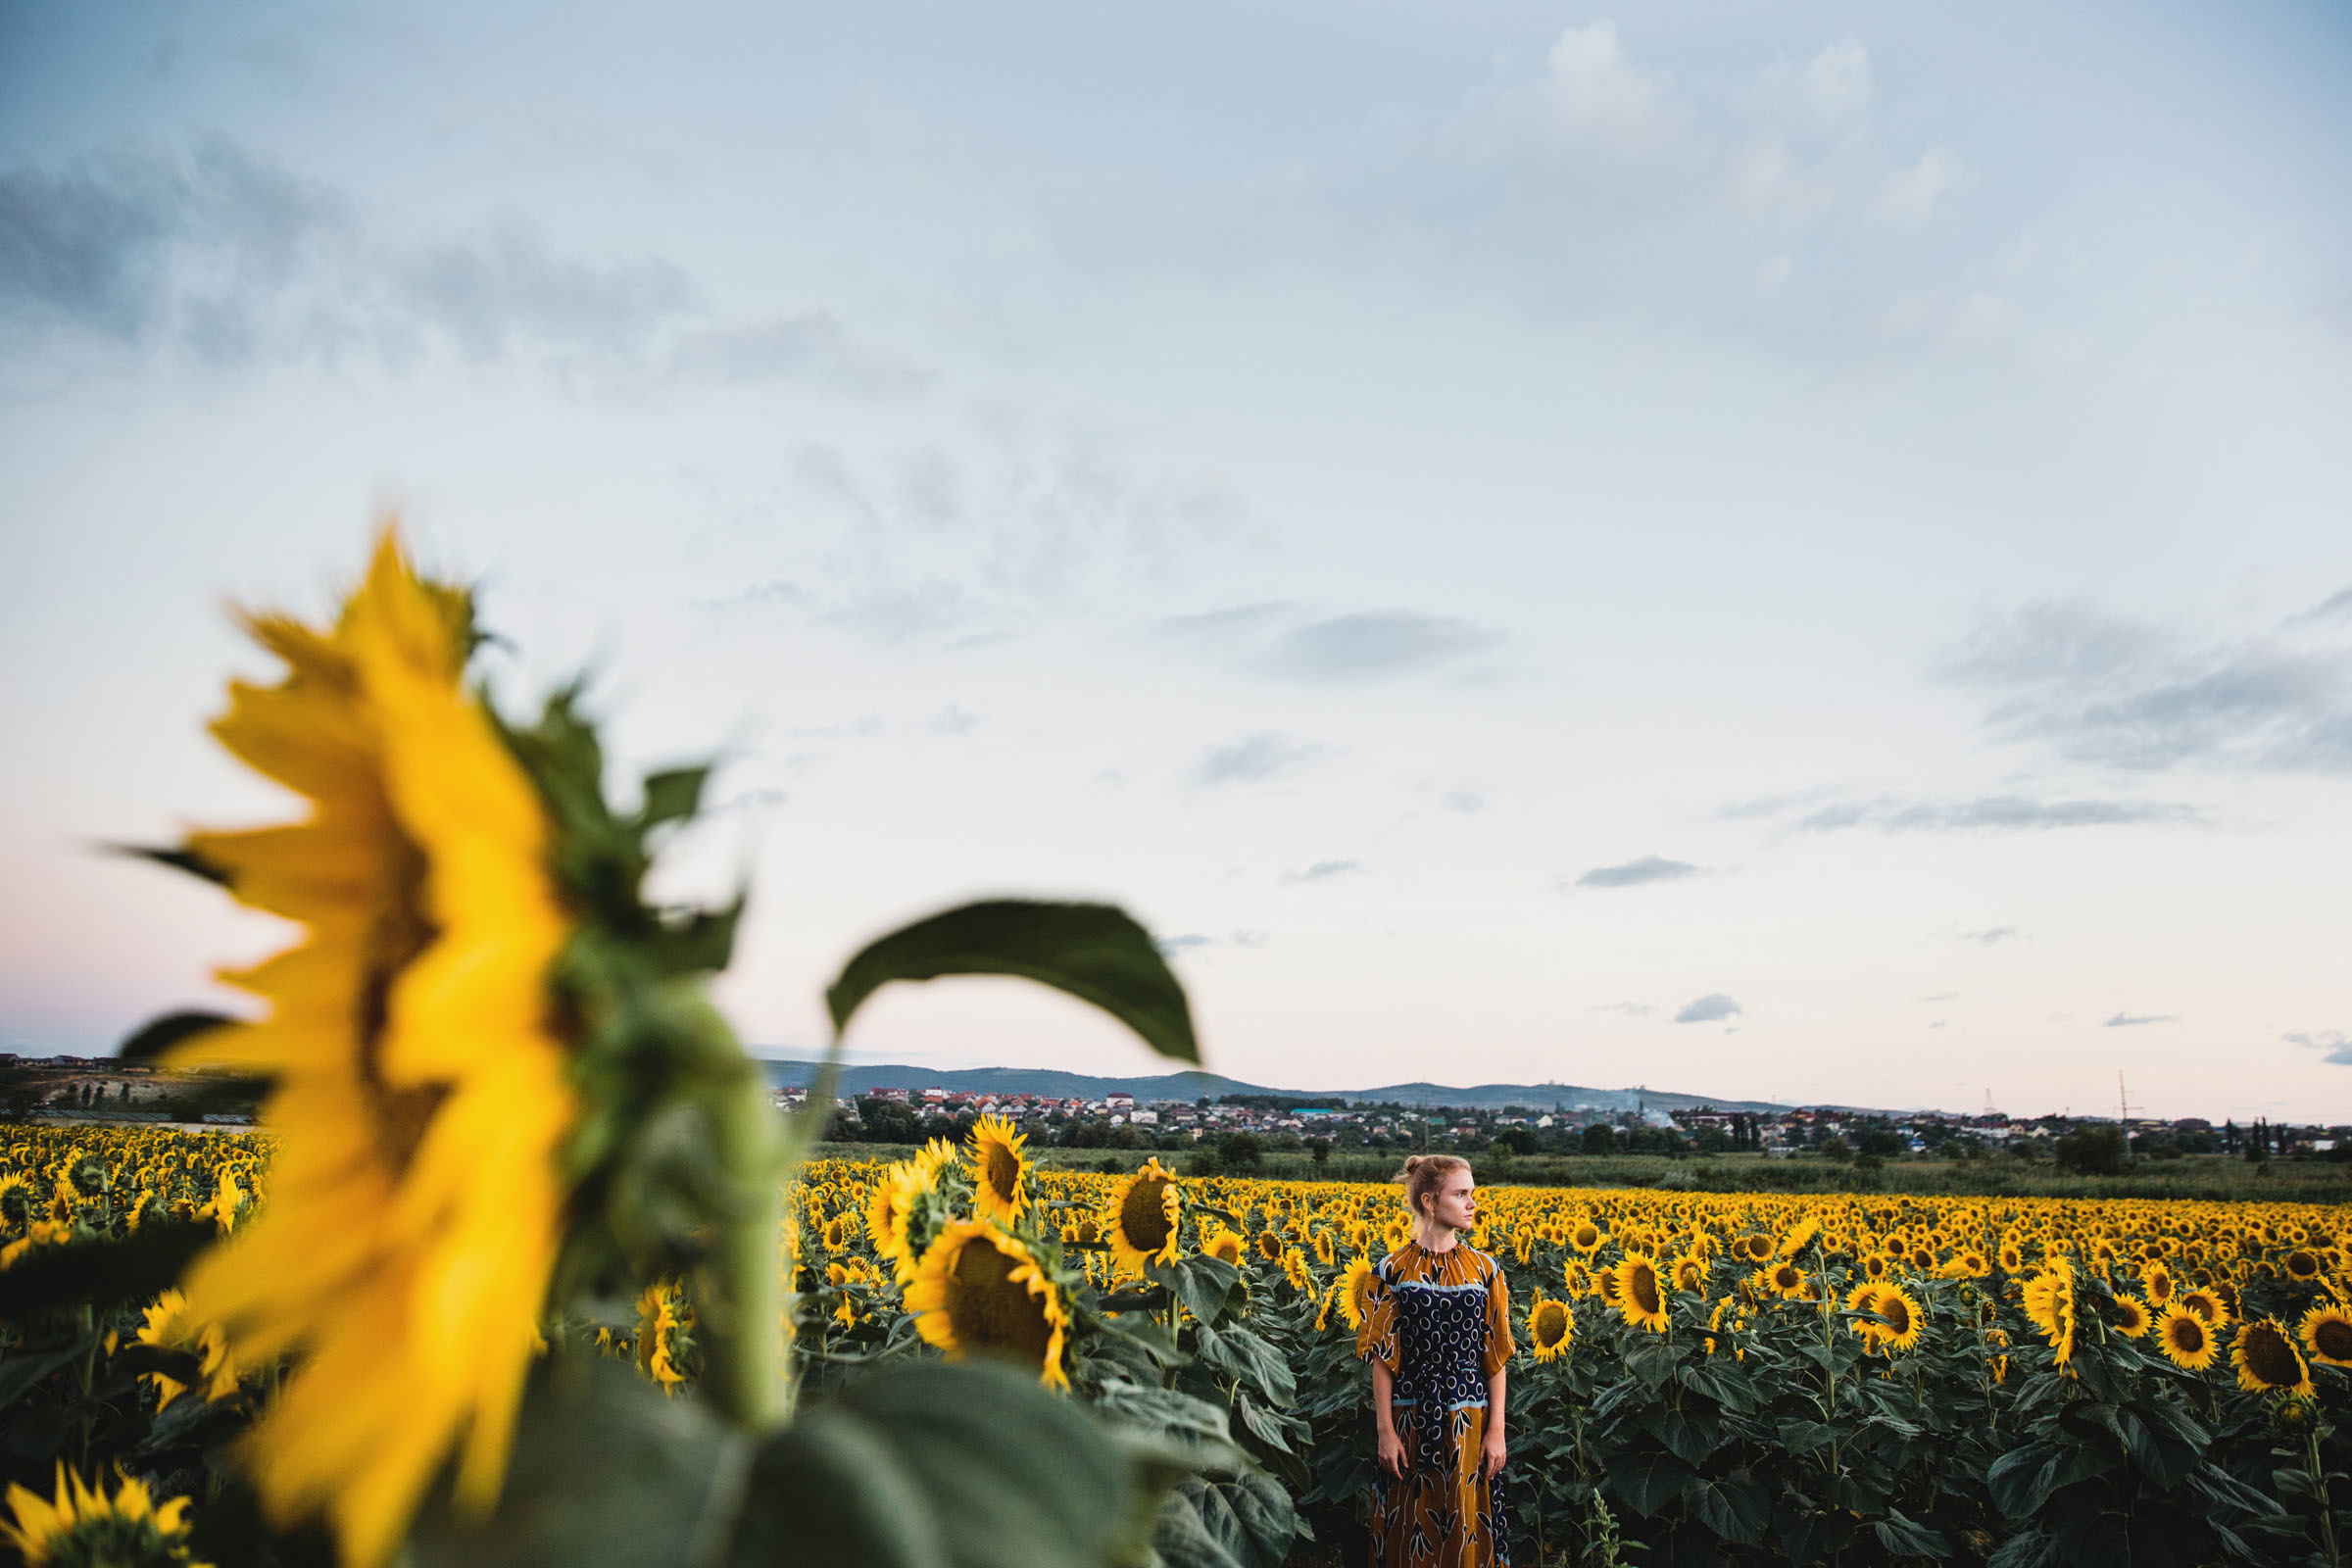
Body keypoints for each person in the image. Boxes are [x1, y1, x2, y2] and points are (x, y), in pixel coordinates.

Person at [1355, 1153, 1514, 1568]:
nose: (1472, 1203)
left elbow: (1495, 1358)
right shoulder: (1390, 1270)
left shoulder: (1486, 1271)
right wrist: (1385, 1432)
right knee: (1410, 1525)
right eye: (1461, 1194)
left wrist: (1496, 1430)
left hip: (1470, 1421)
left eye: (1472, 1194)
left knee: (1467, 1525)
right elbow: (1383, 1359)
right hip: (1410, 1420)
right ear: (1429, 1201)